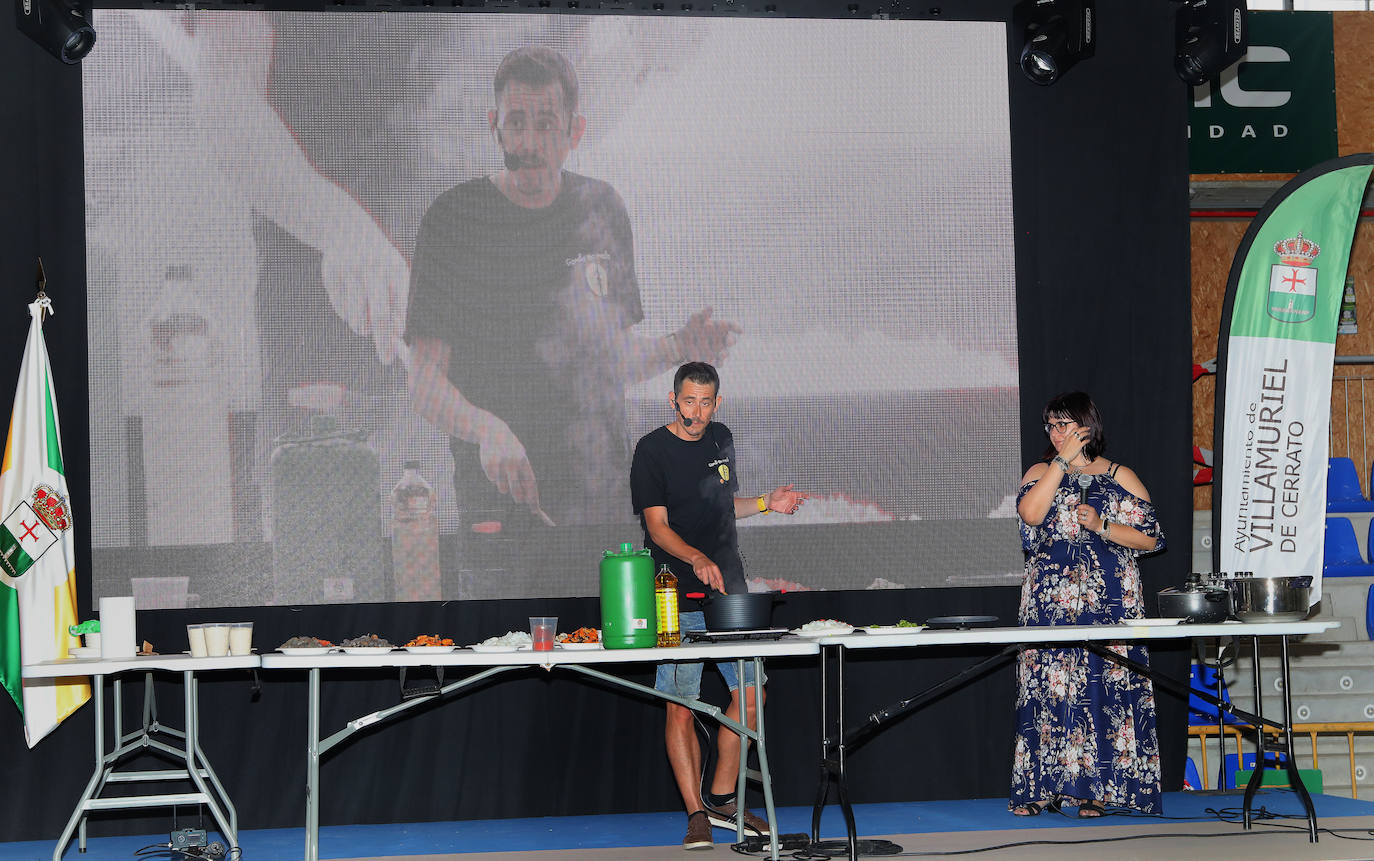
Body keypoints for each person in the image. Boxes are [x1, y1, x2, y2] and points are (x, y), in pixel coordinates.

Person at [405, 46, 738, 534]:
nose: (530, 141)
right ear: (494, 125)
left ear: (573, 132)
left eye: (546, 124)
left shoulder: (601, 209)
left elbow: (608, 362)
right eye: (516, 122)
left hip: (603, 497)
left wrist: (679, 348)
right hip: (500, 504)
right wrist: (488, 431)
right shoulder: (454, 220)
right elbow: (424, 385)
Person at [629, 361, 808, 850]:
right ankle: (695, 814)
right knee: (681, 703)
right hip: (673, 593)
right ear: (673, 400)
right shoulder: (651, 450)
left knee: (753, 694)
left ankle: (722, 796)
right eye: (689, 401)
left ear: (718, 403)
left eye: (706, 402)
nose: (697, 411)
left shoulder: (720, 438)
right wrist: (697, 557)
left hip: (730, 593)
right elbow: (658, 527)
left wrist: (769, 502)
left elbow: (723, 506)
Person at [1009, 392, 1166, 818]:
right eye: (1052, 426)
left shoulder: (1119, 475)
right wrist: (1060, 465)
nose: (1057, 434)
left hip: (1109, 599)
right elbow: (1031, 514)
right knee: (1049, 687)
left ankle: (1098, 790)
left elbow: (1152, 538)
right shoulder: (1042, 470)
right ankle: (1042, 788)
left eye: (1065, 425)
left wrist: (1102, 524)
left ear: (1087, 428)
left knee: (1103, 687)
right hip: (1050, 601)